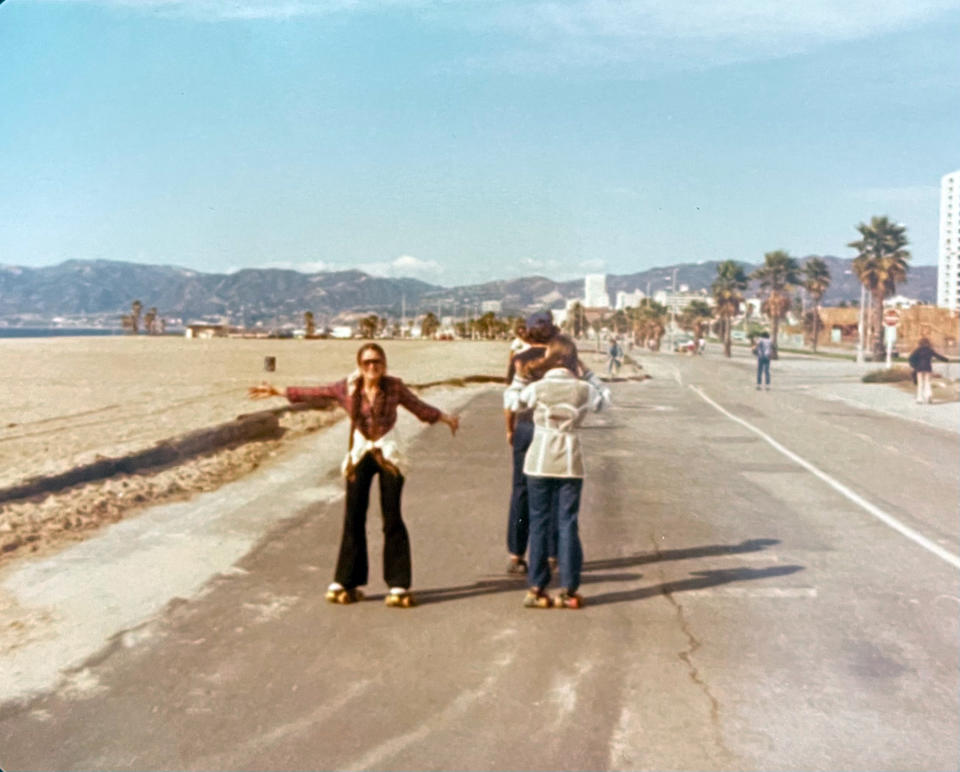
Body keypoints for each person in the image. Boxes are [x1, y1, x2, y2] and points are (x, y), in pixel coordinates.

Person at [249, 343, 459, 607]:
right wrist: (278, 391)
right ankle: (346, 580)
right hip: (360, 454)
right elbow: (315, 393)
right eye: (368, 363)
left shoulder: (394, 387)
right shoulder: (346, 388)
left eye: (378, 362)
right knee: (353, 515)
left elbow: (418, 407)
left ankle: (398, 584)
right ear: (360, 366)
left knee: (392, 517)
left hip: (388, 454)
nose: (373, 367)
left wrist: (446, 418)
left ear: (384, 364)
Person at [502, 311, 608, 577]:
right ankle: (552, 554)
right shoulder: (568, 360)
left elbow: (509, 399)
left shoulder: (520, 359)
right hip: (560, 437)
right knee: (554, 497)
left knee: (522, 491)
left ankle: (517, 553)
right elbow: (591, 390)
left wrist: (510, 429)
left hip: (527, 427)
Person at [908, 337, 948, 404]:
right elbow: (938, 356)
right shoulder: (930, 350)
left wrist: (914, 366)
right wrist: (946, 360)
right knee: (927, 383)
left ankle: (919, 399)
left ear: (920, 343)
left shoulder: (917, 350)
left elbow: (911, 358)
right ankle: (928, 396)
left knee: (920, 384)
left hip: (919, 369)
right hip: (927, 368)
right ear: (928, 343)